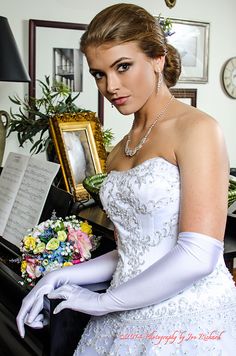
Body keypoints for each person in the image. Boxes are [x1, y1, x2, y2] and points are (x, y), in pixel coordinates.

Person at [16, 3, 236, 355]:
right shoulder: (120, 150)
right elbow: (135, 251)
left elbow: (199, 255)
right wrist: (61, 275)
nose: (111, 86)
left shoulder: (197, 129)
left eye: (123, 67)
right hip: (125, 308)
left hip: (186, 319)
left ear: (158, 59)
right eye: (99, 74)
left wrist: (104, 303)